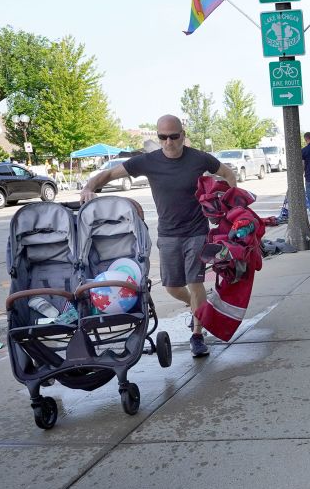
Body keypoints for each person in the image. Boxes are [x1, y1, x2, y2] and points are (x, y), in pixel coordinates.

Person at [80, 114, 237, 358]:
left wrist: (229, 203)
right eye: (163, 137)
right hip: (168, 234)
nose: (169, 142)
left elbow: (227, 173)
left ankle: (197, 334)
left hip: (196, 231)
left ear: (183, 135)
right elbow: (110, 175)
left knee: (195, 283)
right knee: (172, 287)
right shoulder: (148, 161)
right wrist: (89, 186)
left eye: (174, 137)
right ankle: (199, 306)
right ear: (158, 137)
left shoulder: (199, 158)